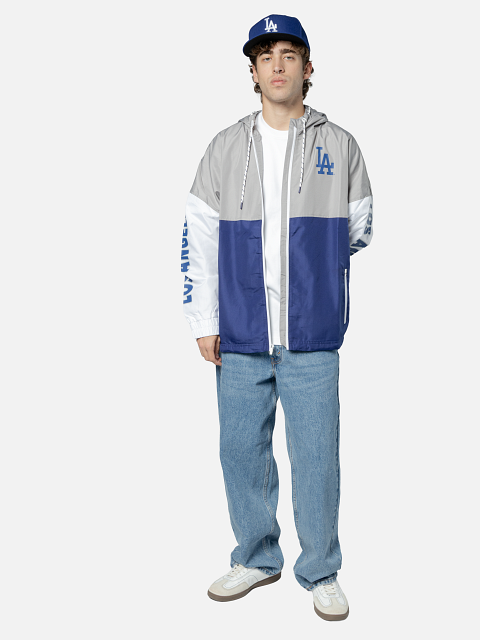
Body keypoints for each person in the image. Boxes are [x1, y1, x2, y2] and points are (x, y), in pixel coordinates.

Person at [180, 14, 373, 622]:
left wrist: (316, 272)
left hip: (312, 332)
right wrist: (203, 319)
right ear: (254, 71)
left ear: (308, 68)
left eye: (289, 54)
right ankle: (257, 558)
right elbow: (198, 236)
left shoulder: (339, 145)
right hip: (240, 329)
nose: (278, 65)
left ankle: (321, 570)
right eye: (266, 56)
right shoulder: (224, 147)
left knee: (317, 458)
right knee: (241, 451)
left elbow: (359, 228)